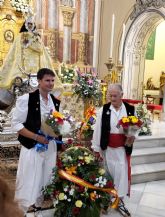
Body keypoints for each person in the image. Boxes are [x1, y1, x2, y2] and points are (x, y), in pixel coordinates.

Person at [11, 68, 61, 216]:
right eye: (47, 80)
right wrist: (36, 137)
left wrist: (58, 135)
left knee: (45, 178)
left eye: (52, 80)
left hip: (50, 147)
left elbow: (57, 123)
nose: (50, 83)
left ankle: (38, 208)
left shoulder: (55, 101)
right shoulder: (27, 99)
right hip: (32, 146)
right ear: (39, 81)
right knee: (28, 178)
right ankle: (21, 211)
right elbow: (17, 125)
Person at [91, 83, 135, 217]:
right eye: (110, 95)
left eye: (115, 95)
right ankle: (106, 200)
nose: (112, 98)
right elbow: (98, 130)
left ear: (122, 95)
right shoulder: (103, 110)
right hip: (107, 148)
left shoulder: (130, 109)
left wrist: (132, 137)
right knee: (107, 174)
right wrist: (96, 148)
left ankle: (119, 201)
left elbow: (134, 127)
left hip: (122, 149)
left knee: (121, 175)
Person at [0, 13, 63, 95]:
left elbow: (40, 49)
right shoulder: (20, 37)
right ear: (25, 24)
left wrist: (32, 41)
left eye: (31, 24)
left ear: (33, 25)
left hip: (36, 67)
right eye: (28, 24)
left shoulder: (36, 37)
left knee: (36, 87)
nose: (30, 25)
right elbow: (17, 51)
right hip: (23, 66)